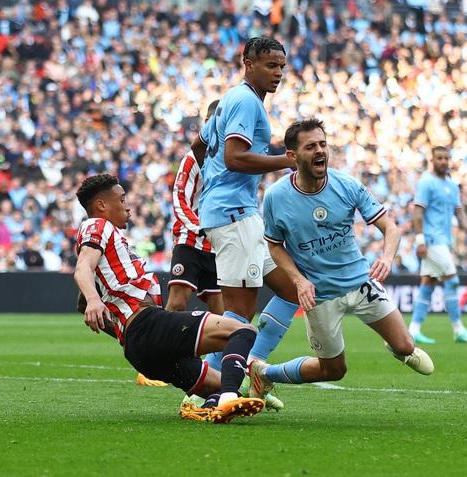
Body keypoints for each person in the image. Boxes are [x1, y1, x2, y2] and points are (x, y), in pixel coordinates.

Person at [248, 118, 433, 396]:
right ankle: (264, 373)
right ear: (292, 156)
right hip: (320, 295)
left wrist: (386, 257)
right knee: (333, 370)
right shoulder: (276, 197)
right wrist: (299, 281)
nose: (320, 151)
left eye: (323, 144)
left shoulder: (346, 184)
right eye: (311, 146)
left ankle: (396, 345)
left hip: (361, 284)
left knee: (407, 347)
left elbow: (390, 228)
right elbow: (274, 246)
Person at [73, 173, 264, 423]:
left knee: (225, 387)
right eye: (122, 199)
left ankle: (214, 402)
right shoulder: (97, 225)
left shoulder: (109, 248)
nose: (127, 206)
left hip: (140, 349)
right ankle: (228, 397)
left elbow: (81, 302)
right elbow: (82, 268)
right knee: (243, 332)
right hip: (148, 325)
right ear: (101, 205)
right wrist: (97, 302)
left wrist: (124, 333)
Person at [197, 37, 301, 390]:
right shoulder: (245, 101)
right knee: (238, 316)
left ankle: (252, 365)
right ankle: (208, 389)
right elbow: (234, 157)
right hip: (232, 215)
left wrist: (208, 186)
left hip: (237, 213)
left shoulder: (232, 100)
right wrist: (287, 162)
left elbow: (200, 144)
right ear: (248, 63)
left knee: (294, 290)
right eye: (271, 65)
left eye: (282, 67)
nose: (278, 73)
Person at [408, 146, 467, 344]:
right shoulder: (426, 182)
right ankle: (458, 329)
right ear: (432, 159)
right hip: (432, 241)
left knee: (428, 283)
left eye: (446, 158)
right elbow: (417, 213)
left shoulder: (451, 185)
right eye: (439, 158)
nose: (443, 161)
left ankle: (413, 329)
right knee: (452, 280)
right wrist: (420, 240)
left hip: (444, 242)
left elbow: (460, 212)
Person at [167, 100, 223, 316]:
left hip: (216, 245)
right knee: (177, 303)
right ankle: (166, 349)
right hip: (190, 240)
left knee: (221, 310)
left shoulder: (229, 159)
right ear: (208, 122)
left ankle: (215, 351)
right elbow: (179, 197)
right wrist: (200, 227)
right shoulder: (193, 158)